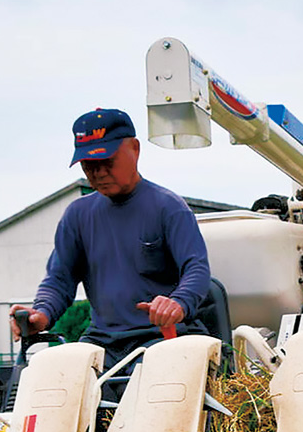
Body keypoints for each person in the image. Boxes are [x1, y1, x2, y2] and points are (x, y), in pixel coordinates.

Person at [11, 108, 211, 369]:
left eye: (107, 161)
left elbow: (196, 268)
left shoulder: (168, 207)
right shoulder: (77, 215)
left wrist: (178, 302)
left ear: (135, 149)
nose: (99, 173)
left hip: (160, 338)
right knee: (58, 379)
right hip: (103, 341)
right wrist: (41, 313)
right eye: (89, 165)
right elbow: (59, 280)